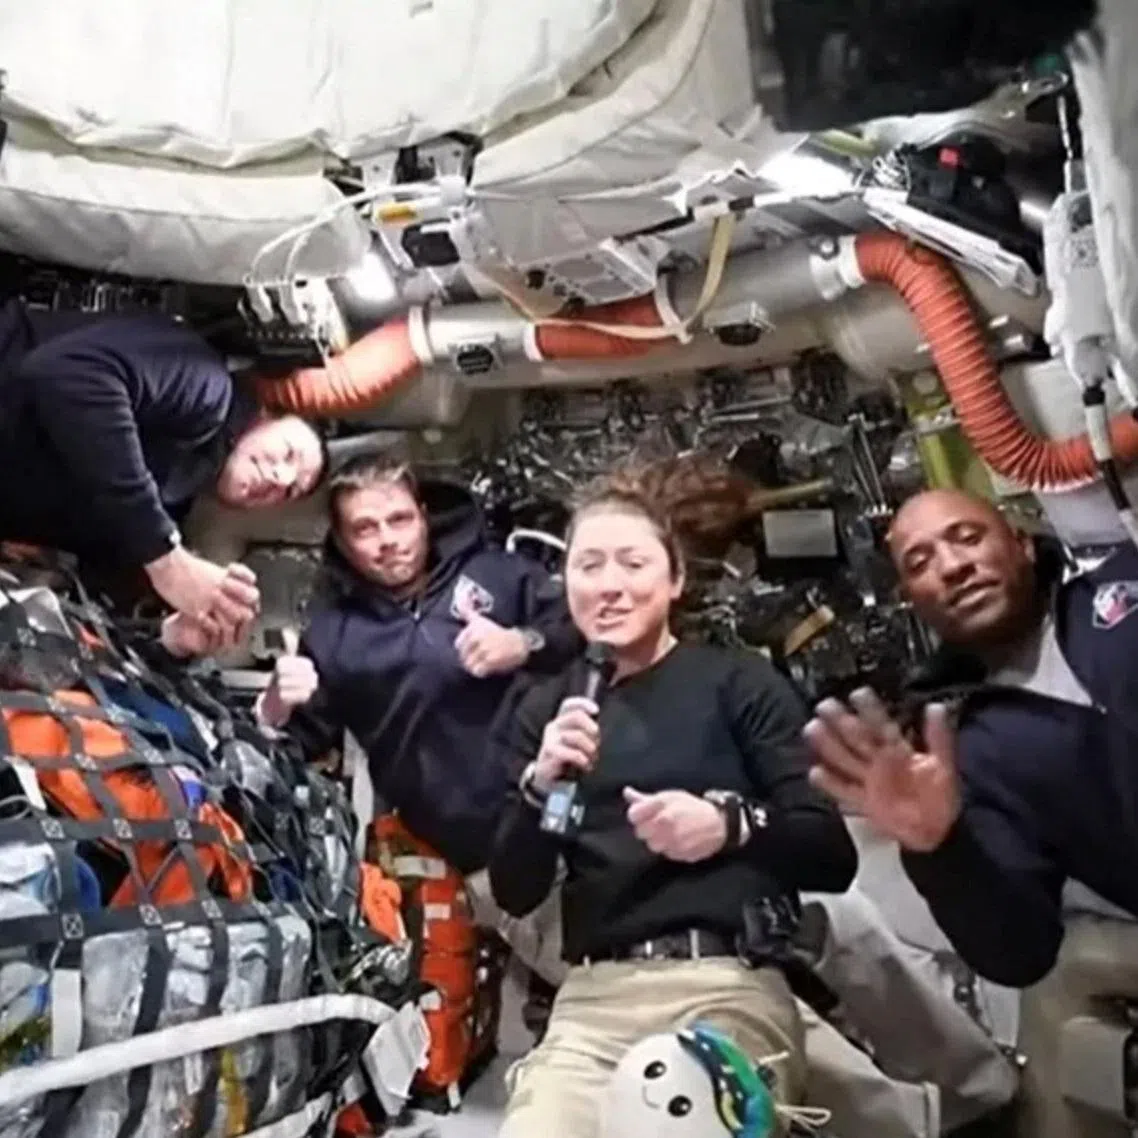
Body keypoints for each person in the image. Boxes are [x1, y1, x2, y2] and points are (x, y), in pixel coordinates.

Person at [486, 476, 857, 1138]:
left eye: (633, 563)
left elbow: (830, 851)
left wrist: (730, 825)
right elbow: (516, 889)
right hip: (594, 999)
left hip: (727, 985)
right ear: (566, 585)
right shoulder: (545, 712)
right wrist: (542, 787)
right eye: (589, 566)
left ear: (675, 579)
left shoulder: (739, 684)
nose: (610, 586)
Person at [255, 456, 581, 983]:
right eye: (365, 528)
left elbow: (583, 627)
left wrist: (522, 642)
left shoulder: (496, 572)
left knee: (660, 961)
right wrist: (275, 705)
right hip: (491, 858)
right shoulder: (333, 636)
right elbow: (296, 749)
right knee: (589, 984)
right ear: (340, 540)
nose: (387, 539)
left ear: (424, 516)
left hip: (579, 810)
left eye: (399, 519)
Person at [804, 486, 1138, 988]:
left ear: (1022, 543)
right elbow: (1020, 953)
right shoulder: (962, 751)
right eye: (920, 564)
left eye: (967, 537)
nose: (952, 566)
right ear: (913, 601)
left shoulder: (1119, 578)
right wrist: (939, 849)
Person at [0, 298, 325, 640]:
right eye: (290, 453)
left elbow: (88, 592)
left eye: (290, 492)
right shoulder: (205, 386)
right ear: (266, 418)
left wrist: (170, 637)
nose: (280, 477)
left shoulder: (164, 507)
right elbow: (65, 374)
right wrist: (165, 558)